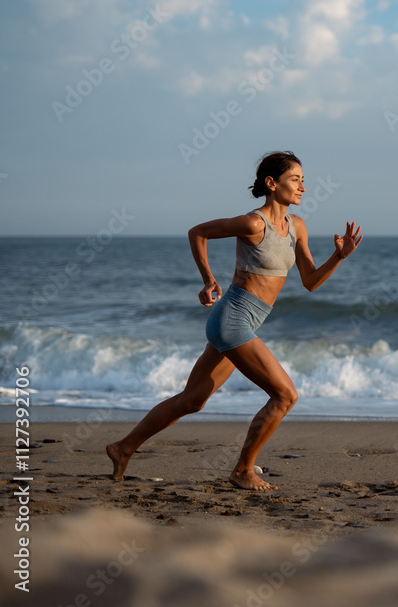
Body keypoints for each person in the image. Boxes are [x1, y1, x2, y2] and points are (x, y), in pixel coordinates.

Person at [107, 151, 362, 490]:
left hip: (246, 322)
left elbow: (310, 281)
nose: (303, 186)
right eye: (295, 179)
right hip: (232, 319)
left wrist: (338, 257)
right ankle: (243, 470)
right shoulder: (254, 223)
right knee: (285, 396)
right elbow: (198, 232)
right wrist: (208, 279)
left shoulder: (296, 227)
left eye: (303, 179)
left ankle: (122, 447)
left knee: (192, 400)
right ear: (272, 184)